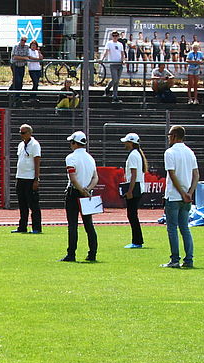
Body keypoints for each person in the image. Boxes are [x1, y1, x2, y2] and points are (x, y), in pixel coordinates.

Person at [162, 124, 199, 268]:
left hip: (174, 195)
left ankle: (175, 259)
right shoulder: (190, 152)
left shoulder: (170, 153)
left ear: (174, 136)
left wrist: (182, 193)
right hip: (186, 197)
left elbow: (172, 174)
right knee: (185, 228)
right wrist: (190, 192)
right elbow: (196, 174)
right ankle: (188, 259)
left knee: (172, 228)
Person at [60, 131, 98, 263]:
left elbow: (73, 177)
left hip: (74, 193)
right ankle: (92, 253)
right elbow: (95, 177)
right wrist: (88, 189)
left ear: (74, 143)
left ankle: (71, 254)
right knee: (89, 225)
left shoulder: (71, 157)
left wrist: (81, 190)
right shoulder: (90, 158)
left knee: (72, 225)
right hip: (87, 193)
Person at [120, 132, 148, 249]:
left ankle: (137, 241)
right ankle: (137, 240)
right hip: (138, 186)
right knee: (133, 215)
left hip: (135, 187)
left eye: (126, 142)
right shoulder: (137, 154)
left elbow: (134, 174)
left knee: (132, 215)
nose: (125, 144)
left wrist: (130, 191)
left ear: (131, 143)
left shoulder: (133, 155)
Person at [13, 124, 42, 234]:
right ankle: (22, 226)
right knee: (22, 204)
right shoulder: (20, 145)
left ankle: (36, 227)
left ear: (30, 133)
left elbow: (37, 161)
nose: (21, 135)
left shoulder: (35, 145)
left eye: (23, 133)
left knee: (33, 204)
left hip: (30, 178)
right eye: (20, 132)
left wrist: (36, 178)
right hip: (20, 177)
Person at [102, 30, 125, 102]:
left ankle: (115, 96)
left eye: (116, 35)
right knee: (114, 79)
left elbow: (122, 53)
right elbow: (106, 52)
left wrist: (123, 60)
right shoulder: (109, 43)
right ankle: (107, 88)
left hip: (119, 64)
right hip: (113, 64)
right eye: (113, 35)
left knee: (117, 81)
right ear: (112, 36)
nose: (115, 37)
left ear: (118, 36)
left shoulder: (120, 44)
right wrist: (101, 59)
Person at [9, 37, 29, 105]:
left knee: (20, 81)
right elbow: (14, 57)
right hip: (15, 65)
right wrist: (23, 58)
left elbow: (27, 56)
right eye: (22, 40)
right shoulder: (16, 46)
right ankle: (12, 93)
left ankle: (17, 95)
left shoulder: (26, 47)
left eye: (25, 41)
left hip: (22, 66)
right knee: (17, 80)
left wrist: (21, 58)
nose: (23, 42)